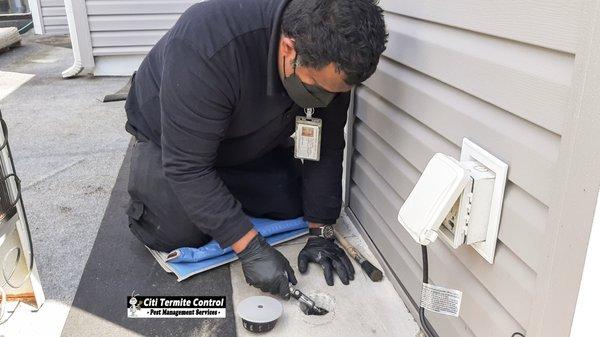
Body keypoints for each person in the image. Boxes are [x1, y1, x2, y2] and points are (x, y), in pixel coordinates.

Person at [124, 0, 387, 299]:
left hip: (245, 140)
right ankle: (161, 181)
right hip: (170, 141)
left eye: (336, 93)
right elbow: (187, 166)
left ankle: (214, 192)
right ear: (289, 50)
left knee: (299, 200)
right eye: (315, 87)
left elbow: (324, 145)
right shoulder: (208, 43)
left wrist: (321, 231)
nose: (325, 100)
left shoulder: (329, 64)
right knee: (175, 230)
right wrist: (249, 247)